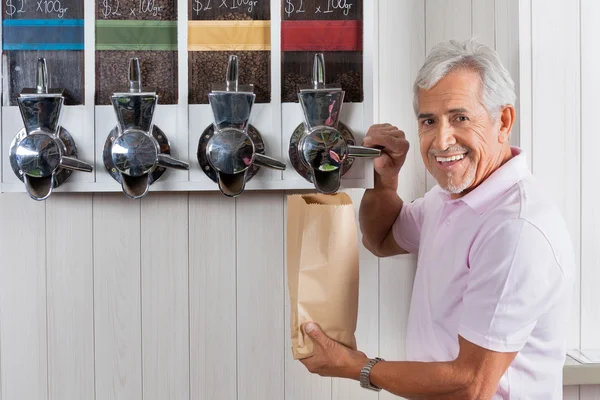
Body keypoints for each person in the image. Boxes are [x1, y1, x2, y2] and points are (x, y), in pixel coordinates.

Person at [299, 38, 575, 399]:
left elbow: (470, 386)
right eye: (429, 121)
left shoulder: (516, 229)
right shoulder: (451, 197)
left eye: (460, 117)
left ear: (503, 121)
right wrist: (385, 178)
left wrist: (357, 367)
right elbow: (381, 239)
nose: (442, 141)